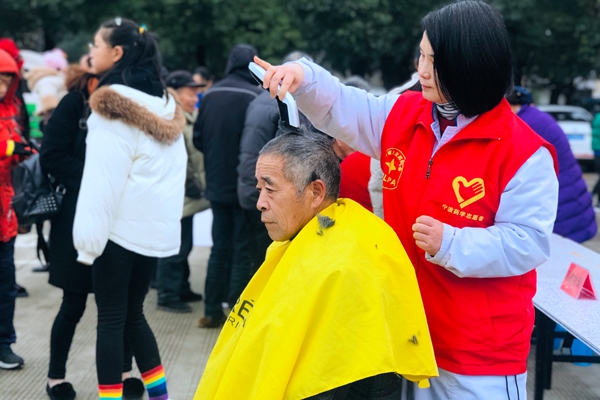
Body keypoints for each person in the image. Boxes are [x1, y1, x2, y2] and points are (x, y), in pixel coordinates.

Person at [255, 1, 559, 398]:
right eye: (421, 55)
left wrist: (452, 243)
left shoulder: (524, 152)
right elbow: (342, 105)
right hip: (408, 335)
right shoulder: (404, 113)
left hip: (477, 355)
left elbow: (529, 242)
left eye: (434, 61)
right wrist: (303, 76)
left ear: (469, 63)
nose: (421, 70)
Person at [194, 130, 437, 400]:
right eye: (259, 189)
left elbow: (325, 379)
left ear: (316, 192)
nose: (260, 203)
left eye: (270, 189)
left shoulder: (344, 264)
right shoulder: (311, 239)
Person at [73, 18, 185, 400]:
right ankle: (160, 396)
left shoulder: (112, 106)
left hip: (117, 233)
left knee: (110, 319)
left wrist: (87, 245)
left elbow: (101, 184)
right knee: (134, 315)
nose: (91, 51)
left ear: (117, 52)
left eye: (96, 44)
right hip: (150, 233)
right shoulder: (166, 103)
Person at [193, 44, 262, 328]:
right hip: (246, 186)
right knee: (242, 247)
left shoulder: (210, 95)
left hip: (217, 184)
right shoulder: (255, 96)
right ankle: (236, 313)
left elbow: (198, 138)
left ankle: (211, 310)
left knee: (219, 246)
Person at [507, 86, 597, 243]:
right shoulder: (538, 117)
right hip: (570, 191)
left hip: (560, 199)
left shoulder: (525, 122)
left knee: (561, 248)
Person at [156, 70, 209, 313]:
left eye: (197, 94)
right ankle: (167, 294)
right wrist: (192, 185)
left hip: (187, 193)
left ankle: (181, 287)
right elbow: (174, 159)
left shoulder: (190, 116)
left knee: (184, 242)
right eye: (190, 93)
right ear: (175, 93)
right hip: (178, 193)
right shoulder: (171, 118)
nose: (195, 98)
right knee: (175, 245)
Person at [0, 49, 33, 371]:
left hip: (5, 212)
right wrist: (9, 147)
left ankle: (3, 344)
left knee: (6, 286)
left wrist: (23, 151)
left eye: (6, 80)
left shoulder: (12, 109)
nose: (1, 86)